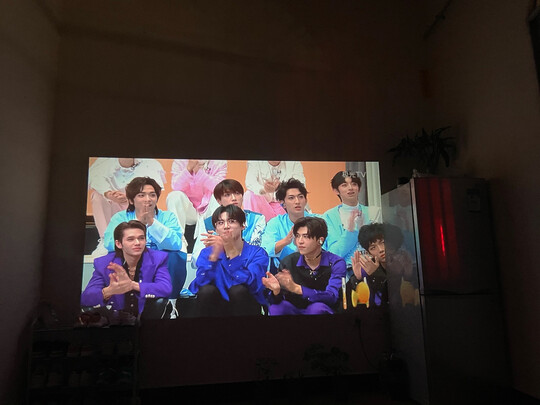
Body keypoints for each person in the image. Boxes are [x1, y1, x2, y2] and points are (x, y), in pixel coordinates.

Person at [102, 177, 185, 314]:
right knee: (112, 256)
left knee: (176, 256)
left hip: (157, 262)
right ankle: (117, 304)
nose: (148, 199)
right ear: (131, 200)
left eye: (152, 195)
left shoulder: (167, 217)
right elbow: (110, 243)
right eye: (141, 195)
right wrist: (138, 223)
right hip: (131, 259)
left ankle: (170, 304)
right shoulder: (120, 217)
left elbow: (176, 244)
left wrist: (152, 223)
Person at [189, 205, 269, 317]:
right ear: (216, 229)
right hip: (217, 307)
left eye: (231, 221)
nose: (226, 226)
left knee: (238, 291)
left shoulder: (257, 253)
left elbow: (254, 286)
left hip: (245, 305)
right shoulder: (207, 253)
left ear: (243, 225)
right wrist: (214, 257)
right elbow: (199, 284)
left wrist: (232, 252)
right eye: (220, 223)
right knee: (206, 291)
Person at [81, 220, 172, 315]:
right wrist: (108, 291)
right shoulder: (104, 263)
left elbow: (165, 288)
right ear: (119, 244)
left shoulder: (158, 259)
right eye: (130, 239)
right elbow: (85, 298)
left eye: (141, 238)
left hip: (146, 315)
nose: (137, 243)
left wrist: (132, 285)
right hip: (115, 317)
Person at [262, 217, 346, 315]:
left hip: (323, 310)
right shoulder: (288, 262)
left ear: (320, 240)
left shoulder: (336, 263)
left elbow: (332, 297)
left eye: (306, 236)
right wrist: (276, 291)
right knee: (276, 308)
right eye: (297, 236)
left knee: (317, 308)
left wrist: (297, 288)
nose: (300, 241)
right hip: (294, 309)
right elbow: (278, 301)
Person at [87, 157, 166, 257]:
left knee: (146, 200)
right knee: (97, 196)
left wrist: (132, 197)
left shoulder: (150, 163)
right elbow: (94, 180)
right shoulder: (104, 161)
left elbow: (155, 189)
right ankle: (104, 240)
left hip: (135, 205)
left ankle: (144, 240)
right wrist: (108, 194)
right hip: (113, 203)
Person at [191, 179, 266, 266]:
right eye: (227, 195)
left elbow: (260, 250)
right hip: (220, 269)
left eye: (237, 193)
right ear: (219, 201)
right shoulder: (208, 223)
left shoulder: (257, 219)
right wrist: (212, 250)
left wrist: (224, 243)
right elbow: (196, 259)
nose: (234, 198)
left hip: (249, 268)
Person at [323, 171, 382, 279]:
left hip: (371, 270)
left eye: (354, 184)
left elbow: (379, 247)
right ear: (336, 190)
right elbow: (333, 254)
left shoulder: (373, 212)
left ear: (359, 188)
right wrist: (351, 230)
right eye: (344, 185)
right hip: (342, 275)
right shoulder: (328, 216)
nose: (350, 188)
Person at [261, 178, 316, 271]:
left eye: (300, 197)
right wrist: (285, 241)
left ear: (306, 200)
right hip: (285, 271)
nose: (297, 201)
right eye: (291, 198)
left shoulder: (317, 221)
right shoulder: (275, 223)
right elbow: (265, 249)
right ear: (283, 203)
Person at [166, 159, 227, 233]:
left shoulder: (219, 162)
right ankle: (177, 236)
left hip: (209, 208)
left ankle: (217, 235)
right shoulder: (180, 161)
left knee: (218, 196)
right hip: (189, 210)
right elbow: (176, 187)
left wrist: (199, 172)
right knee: (174, 196)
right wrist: (188, 169)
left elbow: (218, 188)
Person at [350, 223, 388, 307]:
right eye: (373, 248)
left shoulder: (402, 261)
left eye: (383, 242)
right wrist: (358, 279)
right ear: (369, 253)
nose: (381, 249)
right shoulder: (369, 268)